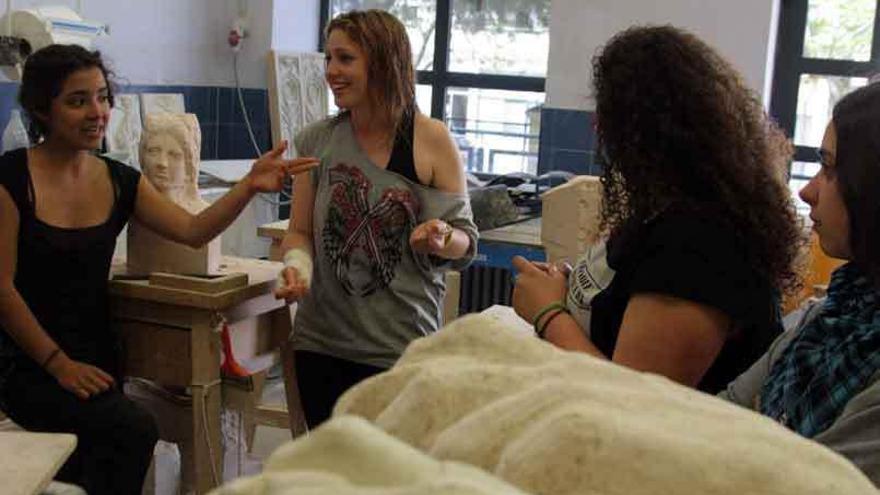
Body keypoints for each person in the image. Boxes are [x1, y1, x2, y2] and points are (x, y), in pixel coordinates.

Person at [0, 44, 318, 494]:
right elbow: (2, 289)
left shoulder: (117, 179)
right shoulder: (12, 178)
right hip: (28, 366)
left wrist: (249, 186)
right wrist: (59, 365)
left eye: (103, 97)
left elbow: (192, 229)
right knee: (132, 431)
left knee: (93, 459)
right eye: (77, 101)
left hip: (98, 361)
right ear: (41, 109)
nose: (97, 112)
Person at [512, 25, 803, 393]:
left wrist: (548, 313)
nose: (597, 126)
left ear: (649, 130)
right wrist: (570, 291)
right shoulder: (665, 210)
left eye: (608, 112)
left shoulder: (701, 243)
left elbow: (633, 400)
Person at [274, 9, 478, 429]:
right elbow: (299, 232)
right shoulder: (318, 140)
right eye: (328, 59)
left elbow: (465, 244)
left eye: (345, 59)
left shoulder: (431, 139)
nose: (331, 71)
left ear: (382, 62)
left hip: (399, 350)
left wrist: (441, 239)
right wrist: (296, 266)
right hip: (321, 345)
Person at [720, 83, 880, 485]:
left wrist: (550, 316)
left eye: (829, 169)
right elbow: (714, 420)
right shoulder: (825, 317)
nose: (807, 192)